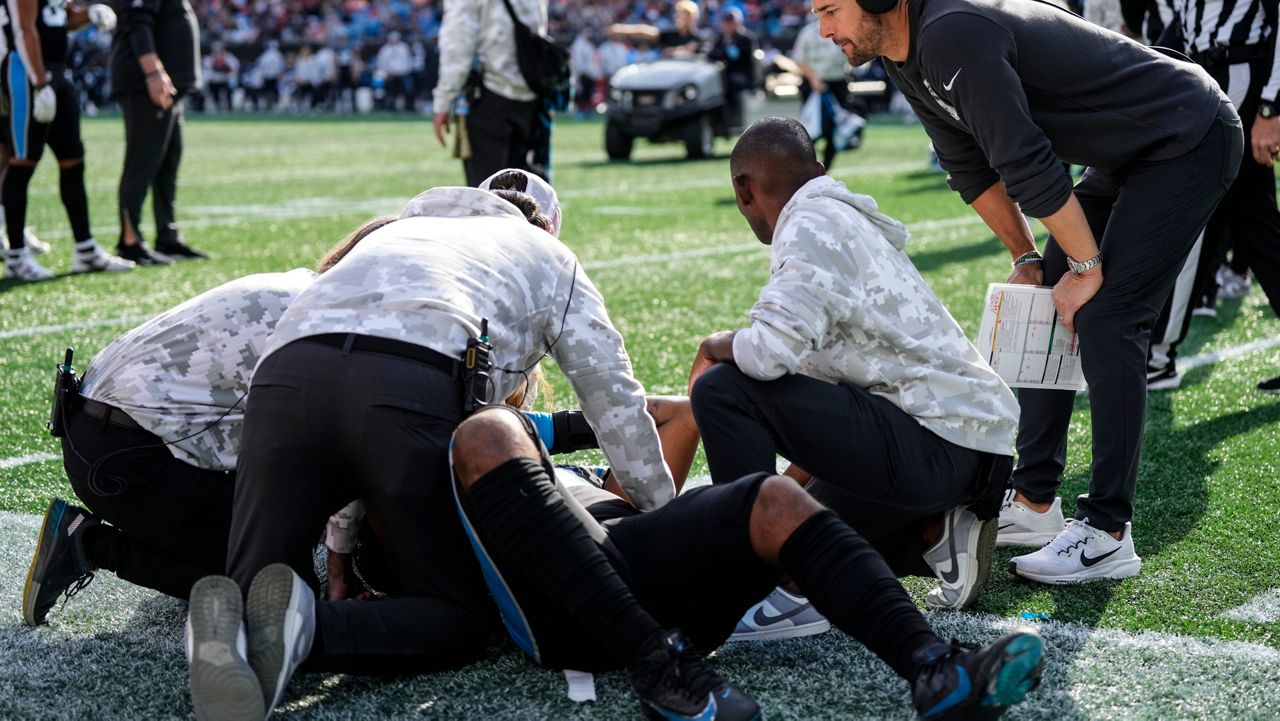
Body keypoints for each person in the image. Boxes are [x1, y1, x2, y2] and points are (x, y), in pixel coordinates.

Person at [184, 184, 674, 719]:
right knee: (454, 616)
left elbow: (342, 398)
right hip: (405, 383)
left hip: (282, 376)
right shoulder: (549, 256)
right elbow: (614, 397)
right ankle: (305, 628)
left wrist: (341, 551)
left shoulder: (397, 231)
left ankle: (234, 625)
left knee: (257, 589)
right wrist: (658, 516)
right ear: (548, 228)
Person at [817, 0, 1242, 582]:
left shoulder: (951, 33)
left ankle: (1108, 532)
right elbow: (968, 165)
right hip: (1128, 150)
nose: (824, 30)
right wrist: (1028, 257)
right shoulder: (903, 57)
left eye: (831, 10)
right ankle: (1037, 500)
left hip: (1186, 134)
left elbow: (1027, 161)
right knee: (1046, 306)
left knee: (1108, 317)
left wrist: (1087, 266)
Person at [447, 406, 1044, 719]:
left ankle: (933, 667)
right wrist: (507, 418)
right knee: (487, 430)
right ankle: (659, 667)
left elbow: (677, 415)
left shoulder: (540, 449)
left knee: (772, 497)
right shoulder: (469, 450)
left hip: (630, 561)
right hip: (559, 610)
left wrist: (558, 425)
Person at [687, 118, 1019, 616]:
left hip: (934, 442)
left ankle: (750, 585)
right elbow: (826, 406)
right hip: (962, 447)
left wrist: (714, 345)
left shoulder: (808, 226)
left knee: (723, 387)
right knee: (802, 539)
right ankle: (934, 534)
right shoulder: (841, 218)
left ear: (743, 189)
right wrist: (791, 505)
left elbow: (766, 354)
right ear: (817, 170)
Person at [19, 216, 394, 628]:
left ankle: (180, 539)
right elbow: (342, 454)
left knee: (292, 528)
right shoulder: (326, 323)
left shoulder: (297, 286)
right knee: (281, 588)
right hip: (125, 459)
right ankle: (91, 543)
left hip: (102, 435)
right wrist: (340, 570)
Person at [1144, 0, 1280, 392]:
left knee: (1195, 212)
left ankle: (1157, 354)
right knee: (1255, 224)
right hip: (1203, 74)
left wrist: (1271, 107)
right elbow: (1182, 28)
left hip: (1237, 74)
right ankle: (1157, 353)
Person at [0, 0, 131, 281]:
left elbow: (59, 16)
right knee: (22, 162)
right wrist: (39, 82)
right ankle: (16, 256)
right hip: (27, 71)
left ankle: (85, 249)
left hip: (58, 71)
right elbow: (24, 28)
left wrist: (88, 15)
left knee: (73, 161)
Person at [110, 0, 207, 265]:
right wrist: (153, 73)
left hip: (169, 87)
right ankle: (130, 242)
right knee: (142, 163)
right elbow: (137, 21)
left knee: (167, 164)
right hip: (149, 86)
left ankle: (168, 237)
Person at [433, 0, 549, 185]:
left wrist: (443, 102)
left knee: (487, 193)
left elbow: (458, 44)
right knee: (522, 192)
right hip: (529, 93)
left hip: (490, 94)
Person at [791, 15, 857, 170]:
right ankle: (804, 169)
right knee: (809, 130)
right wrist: (813, 79)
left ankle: (825, 169)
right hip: (813, 85)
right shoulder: (808, 32)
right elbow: (799, 59)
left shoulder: (843, 30)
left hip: (837, 84)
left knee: (835, 131)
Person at [708, 7, 757, 131]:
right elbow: (712, 54)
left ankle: (733, 122)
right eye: (726, 23)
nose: (728, 26)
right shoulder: (722, 38)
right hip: (726, 74)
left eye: (731, 23)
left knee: (730, 84)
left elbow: (735, 56)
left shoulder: (746, 38)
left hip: (742, 75)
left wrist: (726, 46)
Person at [376, 31, 412, 111]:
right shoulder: (385, 49)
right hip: (389, 75)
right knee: (390, 92)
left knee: (405, 91)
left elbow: (407, 61)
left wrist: (402, 72)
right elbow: (381, 62)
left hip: (402, 74)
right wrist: (388, 73)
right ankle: (389, 107)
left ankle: (407, 107)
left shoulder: (403, 47)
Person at [202, 41, 239, 112]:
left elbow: (234, 70)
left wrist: (226, 66)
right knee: (214, 94)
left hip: (225, 80)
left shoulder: (229, 58)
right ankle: (217, 107)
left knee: (230, 91)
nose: (218, 52)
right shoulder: (208, 59)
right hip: (214, 81)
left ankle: (230, 108)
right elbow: (206, 71)